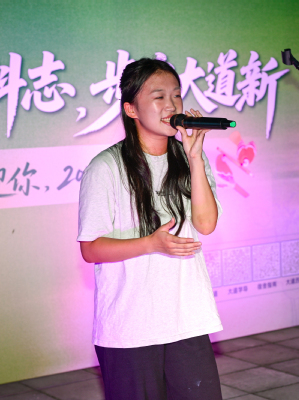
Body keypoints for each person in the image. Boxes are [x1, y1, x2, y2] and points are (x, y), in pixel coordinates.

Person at [77, 57, 223, 400]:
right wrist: (151, 244)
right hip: (130, 327)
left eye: (176, 95)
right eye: (159, 97)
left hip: (187, 319)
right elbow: (90, 249)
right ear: (131, 109)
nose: (171, 105)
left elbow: (206, 224)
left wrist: (195, 157)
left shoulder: (190, 159)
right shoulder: (106, 167)